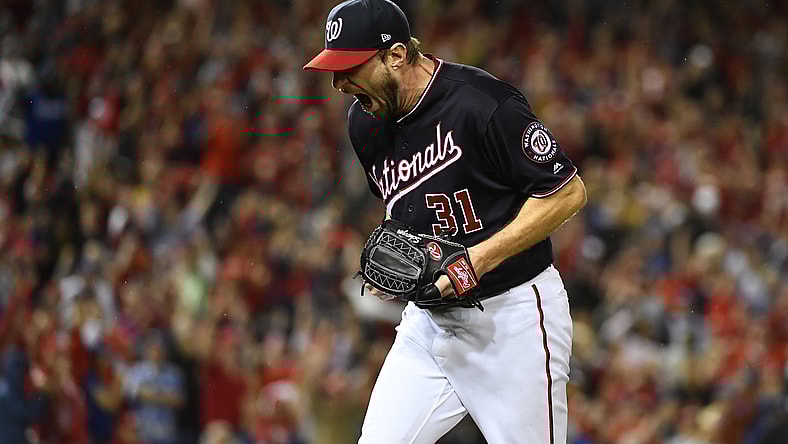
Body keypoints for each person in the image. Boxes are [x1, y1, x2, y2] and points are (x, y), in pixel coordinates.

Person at [304, 1, 587, 443]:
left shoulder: (483, 103)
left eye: (350, 67)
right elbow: (405, 208)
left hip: (513, 323)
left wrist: (477, 259)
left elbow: (567, 192)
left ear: (395, 56)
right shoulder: (364, 121)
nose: (339, 83)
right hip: (429, 324)